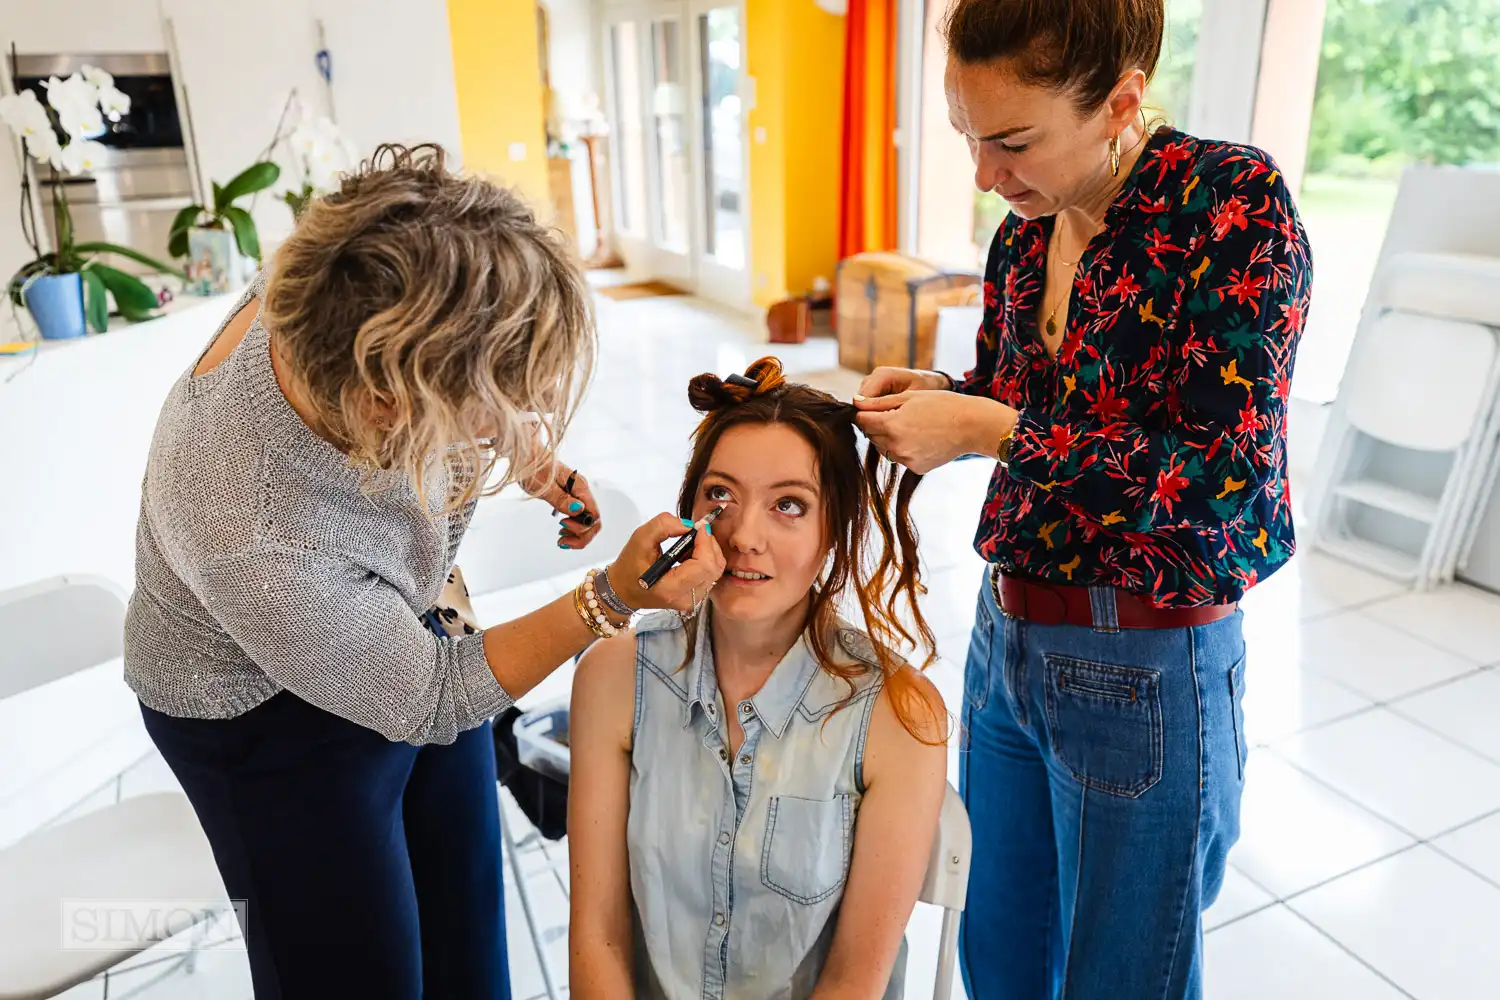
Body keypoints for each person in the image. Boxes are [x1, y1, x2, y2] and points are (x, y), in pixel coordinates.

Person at [123, 144, 722, 1000]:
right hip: (258, 722)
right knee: (358, 973)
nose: (518, 416)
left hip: (395, 624)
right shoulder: (251, 526)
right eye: (492, 402)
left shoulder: (341, 276)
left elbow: (466, 379)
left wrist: (530, 459)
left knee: (465, 930)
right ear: (387, 402)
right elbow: (437, 694)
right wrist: (613, 596)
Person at [852, 2, 1313, 997]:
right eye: (967, 138)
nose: (985, 175)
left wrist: (988, 431)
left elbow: (1215, 476)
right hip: (1003, 645)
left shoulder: (1231, 205)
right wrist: (947, 400)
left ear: (1120, 102)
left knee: (1120, 979)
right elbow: (1015, 393)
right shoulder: (1025, 232)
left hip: (1143, 659)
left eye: (1013, 142)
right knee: (1001, 960)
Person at [568, 358, 949, 1000]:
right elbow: (596, 938)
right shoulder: (612, 677)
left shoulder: (900, 716)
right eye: (720, 496)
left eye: (789, 506)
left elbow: (854, 979)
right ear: (688, 512)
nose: (746, 535)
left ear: (836, 530)